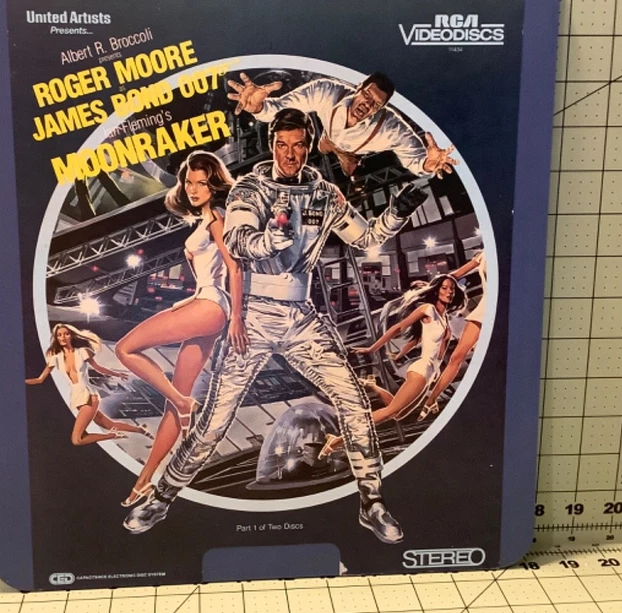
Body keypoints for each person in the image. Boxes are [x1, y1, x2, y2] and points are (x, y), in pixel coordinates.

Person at [123, 108, 428, 544]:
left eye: (299, 145)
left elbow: (366, 238)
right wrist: (271, 239)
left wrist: (400, 209)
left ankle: (372, 501)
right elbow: (238, 240)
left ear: (309, 146)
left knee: (354, 403)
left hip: (301, 318)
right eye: (282, 145)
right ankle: (162, 496)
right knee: (214, 420)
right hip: (255, 316)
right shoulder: (251, 189)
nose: (290, 154)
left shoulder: (325, 194)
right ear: (271, 144)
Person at [115, 151, 246, 508]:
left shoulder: (216, 219)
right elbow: (209, 274)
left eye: (201, 183)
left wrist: (236, 317)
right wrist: (186, 301)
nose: (193, 189)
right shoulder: (203, 221)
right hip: (206, 304)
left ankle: (182, 401)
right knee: (176, 403)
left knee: (124, 349)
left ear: (214, 185)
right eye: (189, 182)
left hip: (213, 308)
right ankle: (144, 480)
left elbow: (234, 268)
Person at [319, 275, 466, 458]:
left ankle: (373, 386)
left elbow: (421, 341)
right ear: (436, 291)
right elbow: (399, 328)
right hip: (421, 370)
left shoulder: (444, 320)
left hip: (430, 374)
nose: (449, 292)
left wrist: (431, 383)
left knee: (398, 415)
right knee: (390, 411)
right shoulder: (427, 309)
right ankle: (338, 441)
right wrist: (372, 348)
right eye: (444, 288)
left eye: (452, 289)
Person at [227, 71, 457, 178]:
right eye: (366, 95)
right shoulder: (326, 91)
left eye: (376, 104)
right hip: (329, 135)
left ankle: (344, 157)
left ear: (382, 109)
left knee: (349, 170)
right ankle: (330, 145)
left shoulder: (391, 128)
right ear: (358, 88)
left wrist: (427, 164)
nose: (367, 105)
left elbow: (415, 158)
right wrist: (258, 107)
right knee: (323, 146)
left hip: (352, 151)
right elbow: (281, 107)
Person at [26, 324, 149, 446]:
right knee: (109, 424)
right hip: (77, 396)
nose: (62, 337)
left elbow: (98, 368)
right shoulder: (55, 358)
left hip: (89, 395)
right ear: (56, 338)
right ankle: (139, 429)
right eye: (59, 335)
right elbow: (39, 379)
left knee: (77, 440)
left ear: (71, 336)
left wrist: (117, 374)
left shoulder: (83, 352)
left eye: (66, 334)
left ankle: (112, 435)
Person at [418, 251, 487, 419]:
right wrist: (431, 287)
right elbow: (453, 276)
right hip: (485, 307)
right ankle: (431, 400)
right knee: (456, 357)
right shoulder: (484, 255)